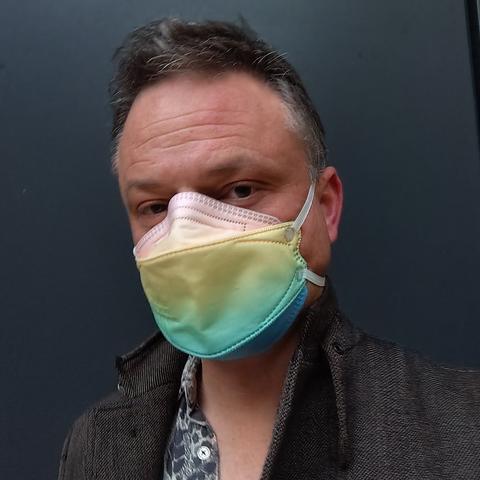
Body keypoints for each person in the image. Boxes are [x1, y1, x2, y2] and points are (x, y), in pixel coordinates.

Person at [58, 18, 480, 480]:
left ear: (325, 207)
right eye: (155, 206)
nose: (187, 234)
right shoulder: (95, 445)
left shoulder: (460, 429)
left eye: (240, 190)